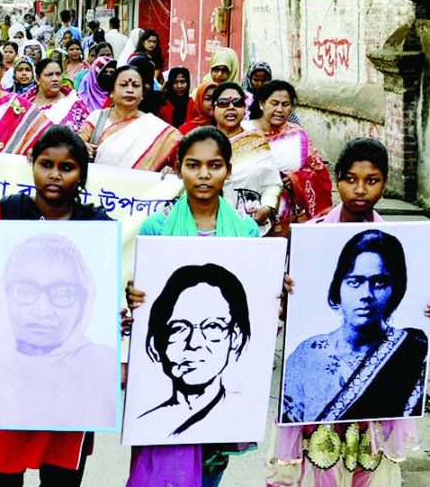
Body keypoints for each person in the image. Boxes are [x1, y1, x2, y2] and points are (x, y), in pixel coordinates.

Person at [0, 127, 110, 486]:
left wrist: (120, 306)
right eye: (45, 164)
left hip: (71, 384)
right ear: (31, 164)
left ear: (82, 174)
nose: (55, 175)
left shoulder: (97, 227)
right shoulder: (1, 215)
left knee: (61, 478)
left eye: (67, 167)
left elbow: (105, 292)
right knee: (1, 475)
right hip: (5, 381)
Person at [268, 138, 426, 486]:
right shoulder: (309, 239)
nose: (360, 189)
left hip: (376, 423)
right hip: (317, 421)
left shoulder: (405, 244)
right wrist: (282, 292)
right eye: (350, 179)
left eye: (372, 180)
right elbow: (277, 312)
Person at [126, 127, 260, 487]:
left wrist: (277, 291)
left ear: (228, 170)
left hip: (223, 393)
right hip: (161, 386)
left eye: (214, 165)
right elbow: (142, 296)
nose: (204, 175)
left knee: (210, 470)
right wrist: (134, 295)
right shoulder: (158, 228)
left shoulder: (247, 232)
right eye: (193, 165)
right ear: (178, 168)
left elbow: (257, 300)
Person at [0, 233, 118, 430]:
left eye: (62, 293)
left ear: (84, 301)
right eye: (26, 291)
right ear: (5, 295)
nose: (43, 312)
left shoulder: (99, 365)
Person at [283, 227, 427, 423]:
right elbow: (293, 422)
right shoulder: (308, 354)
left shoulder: (408, 351)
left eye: (379, 283)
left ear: (396, 288)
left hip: (375, 449)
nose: (366, 294)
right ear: (338, 287)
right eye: (355, 282)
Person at [133, 263, 252, 439]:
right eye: (178, 328)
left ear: (236, 338)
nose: (194, 343)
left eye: (212, 326)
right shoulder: (143, 424)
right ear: (155, 344)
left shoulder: (241, 416)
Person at [243, 80, 333, 230]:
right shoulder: (245, 133)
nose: (279, 109)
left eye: (285, 105)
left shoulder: (297, 134)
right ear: (261, 104)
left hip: (288, 217)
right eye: (274, 103)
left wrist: (295, 179)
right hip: (251, 212)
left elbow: (319, 172)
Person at [78, 65, 182, 171]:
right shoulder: (97, 118)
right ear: (111, 92)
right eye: (123, 85)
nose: (130, 90)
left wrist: (166, 169)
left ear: (142, 94)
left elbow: (179, 160)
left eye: (136, 85)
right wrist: (82, 148)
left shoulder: (154, 127)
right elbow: (74, 147)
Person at [212, 82, 281, 232]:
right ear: (213, 109)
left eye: (237, 103)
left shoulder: (256, 142)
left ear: (244, 109)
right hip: (209, 226)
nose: (231, 107)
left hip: (250, 227)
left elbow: (273, 183)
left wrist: (267, 207)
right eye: (224, 103)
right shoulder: (203, 142)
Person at [26, 58, 90, 132]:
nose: (55, 79)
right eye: (49, 75)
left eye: (58, 74)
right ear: (37, 78)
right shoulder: (25, 105)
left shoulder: (73, 100)